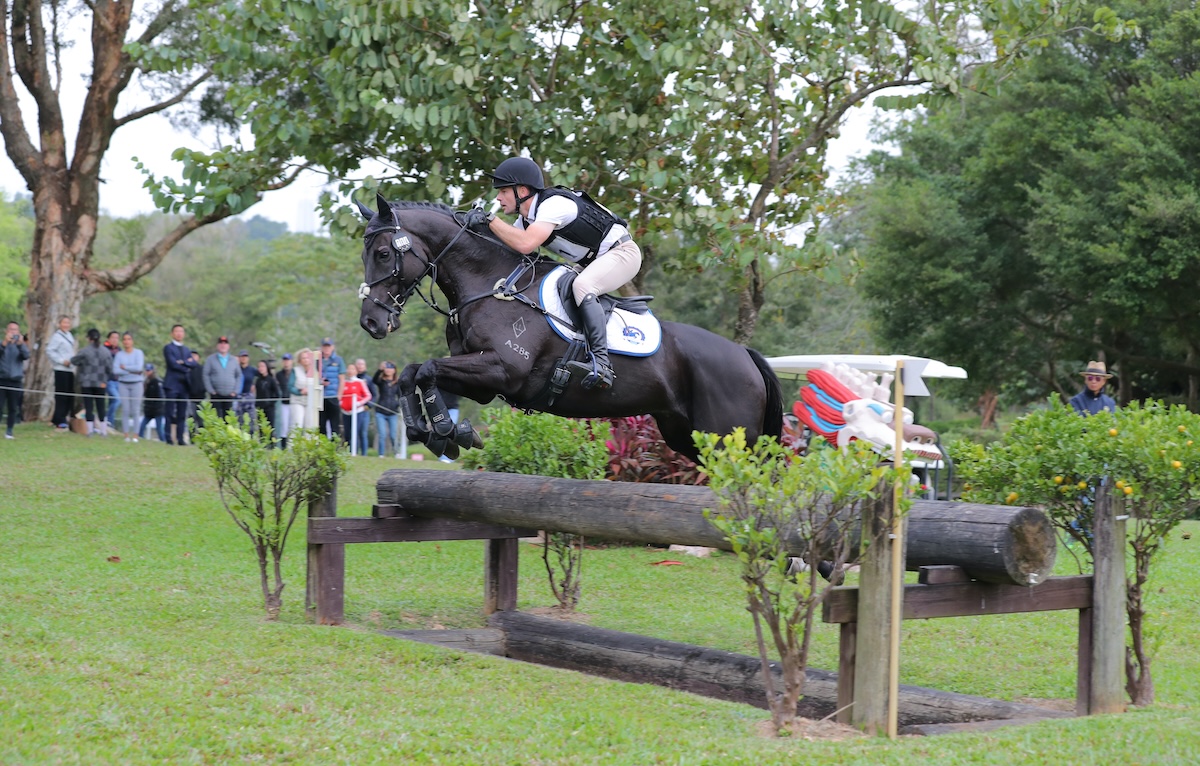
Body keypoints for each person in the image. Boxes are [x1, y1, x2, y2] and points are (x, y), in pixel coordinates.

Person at [473, 157, 641, 390]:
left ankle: (602, 363)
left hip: (623, 253)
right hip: (594, 262)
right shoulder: (526, 220)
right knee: (558, 285)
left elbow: (525, 244)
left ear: (522, 190)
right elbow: (508, 247)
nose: (498, 198)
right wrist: (477, 227)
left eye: (503, 191)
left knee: (582, 286)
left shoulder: (553, 205)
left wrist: (490, 220)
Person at [70, 328, 112, 437]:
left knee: (89, 407)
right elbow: (110, 368)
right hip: (101, 382)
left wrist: (82, 364)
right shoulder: (106, 352)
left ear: (89, 338)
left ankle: (89, 431)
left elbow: (73, 360)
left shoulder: (84, 351)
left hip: (86, 382)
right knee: (101, 406)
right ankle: (103, 431)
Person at [162, 324, 197, 445]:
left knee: (182, 413)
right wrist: (186, 365)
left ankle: (180, 438)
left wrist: (183, 363)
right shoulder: (168, 348)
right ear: (172, 333)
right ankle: (168, 438)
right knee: (169, 412)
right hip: (172, 384)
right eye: (176, 331)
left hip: (184, 385)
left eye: (181, 331)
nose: (179, 334)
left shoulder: (187, 349)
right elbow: (173, 364)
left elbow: (193, 364)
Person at [112, 331, 146, 442]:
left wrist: (125, 367)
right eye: (124, 339)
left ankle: (135, 435)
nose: (127, 341)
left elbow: (139, 368)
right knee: (125, 410)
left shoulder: (138, 353)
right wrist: (131, 370)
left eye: (129, 339)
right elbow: (116, 370)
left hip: (137, 383)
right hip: (123, 384)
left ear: (132, 341)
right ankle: (126, 435)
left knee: (135, 410)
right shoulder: (119, 355)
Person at [46, 315, 77, 428]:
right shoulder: (57, 337)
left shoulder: (69, 335)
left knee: (69, 394)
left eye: (68, 323)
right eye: (64, 323)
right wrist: (61, 361)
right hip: (60, 369)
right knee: (61, 395)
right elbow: (49, 350)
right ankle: (59, 419)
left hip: (69, 369)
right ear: (59, 324)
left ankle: (62, 417)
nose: (66, 325)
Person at [1, 320, 31, 439]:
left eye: (16, 330)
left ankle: (9, 431)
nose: (13, 332)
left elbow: (26, 356)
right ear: (6, 331)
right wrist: (4, 343)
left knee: (13, 407)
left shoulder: (21, 346)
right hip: (2, 379)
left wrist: (20, 344)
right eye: (11, 330)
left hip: (16, 380)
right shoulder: (2, 344)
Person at [203, 336, 242, 420]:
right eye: (221, 343)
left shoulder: (234, 360)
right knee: (216, 418)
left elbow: (239, 375)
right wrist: (211, 390)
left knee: (229, 418)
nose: (223, 345)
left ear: (228, 346)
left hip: (230, 395)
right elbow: (205, 375)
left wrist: (235, 391)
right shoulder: (210, 359)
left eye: (225, 343)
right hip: (216, 395)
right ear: (217, 346)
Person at [340, 360, 373, 456]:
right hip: (345, 411)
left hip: (358, 412)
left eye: (352, 369)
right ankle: (347, 453)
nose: (350, 371)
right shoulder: (344, 383)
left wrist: (359, 403)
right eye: (349, 369)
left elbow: (368, 395)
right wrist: (341, 403)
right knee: (347, 433)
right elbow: (340, 395)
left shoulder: (360, 382)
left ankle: (355, 452)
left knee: (355, 433)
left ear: (356, 371)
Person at [318, 338, 346, 441]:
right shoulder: (317, 360)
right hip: (320, 397)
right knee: (321, 424)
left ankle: (335, 447)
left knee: (335, 425)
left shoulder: (338, 360)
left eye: (328, 346)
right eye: (324, 346)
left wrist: (339, 395)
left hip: (333, 396)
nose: (326, 349)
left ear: (332, 347)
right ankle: (323, 446)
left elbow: (342, 380)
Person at [289, 348, 320, 433]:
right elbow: (290, 386)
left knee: (310, 426)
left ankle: (308, 445)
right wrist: (300, 392)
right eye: (303, 358)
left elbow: (318, 383)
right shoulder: (295, 370)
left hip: (311, 402)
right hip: (297, 401)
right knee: (297, 424)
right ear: (299, 360)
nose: (306, 360)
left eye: (307, 357)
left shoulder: (315, 371)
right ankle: (293, 445)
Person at [375, 361, 401, 458]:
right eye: (387, 368)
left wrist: (397, 404)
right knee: (382, 434)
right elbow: (374, 380)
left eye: (391, 368)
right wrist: (379, 370)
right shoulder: (381, 381)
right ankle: (381, 454)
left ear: (394, 370)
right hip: (380, 412)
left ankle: (396, 453)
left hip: (392, 412)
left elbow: (401, 397)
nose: (389, 370)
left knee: (393, 435)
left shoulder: (398, 383)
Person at [252, 359, 280, 443]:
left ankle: (272, 446)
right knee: (261, 429)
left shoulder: (271, 380)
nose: (261, 368)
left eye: (262, 366)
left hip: (270, 408)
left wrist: (270, 403)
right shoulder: (258, 380)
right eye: (259, 366)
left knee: (270, 428)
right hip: (260, 408)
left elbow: (277, 394)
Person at [139, 364, 166, 442]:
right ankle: (140, 437)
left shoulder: (157, 381)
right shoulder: (146, 381)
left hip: (157, 408)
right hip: (149, 408)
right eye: (146, 370)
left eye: (149, 370)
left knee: (159, 427)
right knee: (143, 425)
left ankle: (163, 440)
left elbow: (160, 395)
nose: (147, 372)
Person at [275, 353, 294, 447]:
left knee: (293, 425)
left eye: (288, 360)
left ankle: (292, 446)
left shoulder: (294, 373)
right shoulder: (279, 374)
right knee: (284, 425)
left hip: (294, 402)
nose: (286, 362)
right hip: (284, 402)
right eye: (285, 360)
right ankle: (284, 447)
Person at [186, 350, 207, 433]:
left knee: (201, 419)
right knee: (191, 419)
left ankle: (202, 437)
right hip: (190, 398)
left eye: (195, 356)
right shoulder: (186, 370)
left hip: (201, 398)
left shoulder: (202, 369)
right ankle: (192, 438)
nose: (193, 358)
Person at [104, 331, 121, 429]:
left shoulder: (119, 350)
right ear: (108, 339)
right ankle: (108, 419)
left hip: (118, 380)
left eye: (117, 338)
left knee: (112, 401)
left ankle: (111, 424)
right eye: (113, 337)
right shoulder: (104, 349)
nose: (115, 340)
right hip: (108, 379)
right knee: (117, 400)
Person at [235, 349, 256, 424]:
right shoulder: (236, 369)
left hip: (248, 396)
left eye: (245, 356)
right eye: (242, 356)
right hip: (237, 396)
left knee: (251, 419)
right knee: (238, 419)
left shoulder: (252, 370)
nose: (244, 358)